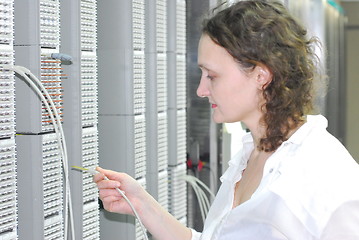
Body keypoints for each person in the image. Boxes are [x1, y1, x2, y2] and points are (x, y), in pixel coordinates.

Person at [94, 0, 359, 239]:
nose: (200, 90)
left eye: (212, 76)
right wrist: (141, 204)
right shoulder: (249, 154)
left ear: (261, 75)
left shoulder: (322, 171)